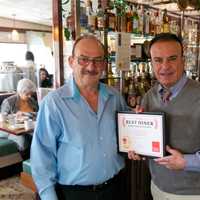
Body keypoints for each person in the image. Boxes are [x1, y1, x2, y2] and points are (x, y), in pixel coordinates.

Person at [31, 35, 128, 200]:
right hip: (74, 194)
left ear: (104, 64)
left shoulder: (115, 97)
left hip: (115, 188)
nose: (91, 66)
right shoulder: (54, 104)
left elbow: (127, 134)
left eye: (98, 60)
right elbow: (42, 157)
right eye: (83, 59)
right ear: (71, 61)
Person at [128, 33, 200, 200]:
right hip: (158, 188)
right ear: (151, 63)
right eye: (158, 60)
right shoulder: (149, 96)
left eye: (172, 58)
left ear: (183, 60)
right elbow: (147, 144)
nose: (165, 66)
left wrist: (187, 162)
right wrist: (137, 144)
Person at [1, 78, 38, 152]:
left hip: (29, 128)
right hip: (12, 130)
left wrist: (26, 114)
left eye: (31, 94)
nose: (30, 96)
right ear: (20, 92)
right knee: (22, 141)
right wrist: (14, 117)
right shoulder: (9, 102)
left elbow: (38, 114)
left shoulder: (32, 101)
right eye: (27, 94)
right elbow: (3, 120)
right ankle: (22, 161)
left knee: (39, 136)